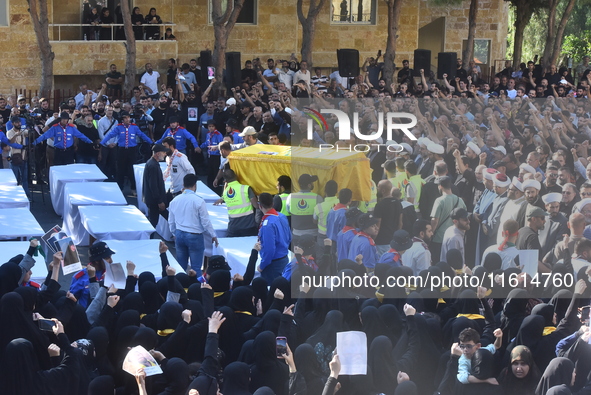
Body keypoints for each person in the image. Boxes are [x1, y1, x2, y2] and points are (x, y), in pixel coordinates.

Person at [168, 174, 218, 275]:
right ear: (195, 185)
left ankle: (179, 287)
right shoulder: (199, 201)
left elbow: (171, 221)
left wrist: (175, 233)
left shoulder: (175, 200)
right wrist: (213, 235)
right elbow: (205, 221)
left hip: (180, 234)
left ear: (183, 184)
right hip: (194, 235)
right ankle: (197, 289)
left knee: (180, 266)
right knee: (196, 268)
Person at [100, 112, 153, 191]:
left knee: (132, 169)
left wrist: (151, 142)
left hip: (132, 150)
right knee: (120, 169)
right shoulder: (118, 127)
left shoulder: (134, 127)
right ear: (122, 120)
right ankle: (120, 188)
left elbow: (142, 135)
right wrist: (102, 143)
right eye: (125, 118)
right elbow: (110, 135)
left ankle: (133, 188)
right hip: (122, 150)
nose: (128, 119)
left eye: (128, 117)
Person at [257, 192, 291, 283]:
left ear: (260, 206)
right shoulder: (282, 216)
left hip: (272, 265)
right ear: (272, 204)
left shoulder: (267, 224)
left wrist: (262, 266)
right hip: (284, 258)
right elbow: (289, 237)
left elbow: (269, 250)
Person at [430, 176, 466, 261]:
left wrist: (431, 233)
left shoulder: (439, 201)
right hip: (455, 237)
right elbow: (465, 219)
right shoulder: (460, 200)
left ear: (440, 186)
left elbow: (435, 220)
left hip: (439, 238)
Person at [215, 169, 258, 237]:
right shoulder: (246, 188)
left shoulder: (225, 193)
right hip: (248, 226)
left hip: (233, 227)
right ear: (236, 176)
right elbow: (256, 206)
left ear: (225, 180)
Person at [143, 144, 168, 227]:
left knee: (156, 221)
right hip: (154, 201)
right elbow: (153, 185)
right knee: (153, 223)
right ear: (157, 154)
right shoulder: (153, 166)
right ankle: (149, 239)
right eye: (163, 152)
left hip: (153, 200)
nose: (165, 154)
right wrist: (160, 201)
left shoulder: (152, 163)